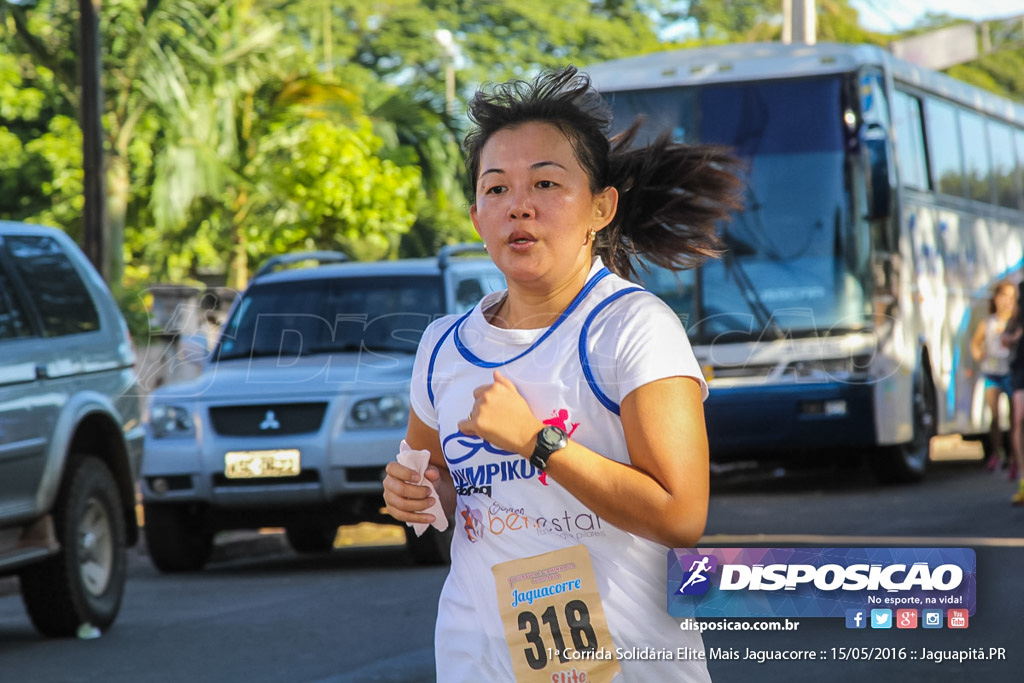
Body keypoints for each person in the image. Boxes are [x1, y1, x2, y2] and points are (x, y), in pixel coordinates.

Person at [382, 65, 742, 682]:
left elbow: (681, 515)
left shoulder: (633, 326)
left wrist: (538, 441)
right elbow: (432, 485)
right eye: (496, 190)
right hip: (479, 658)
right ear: (476, 217)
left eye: (546, 183)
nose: (518, 205)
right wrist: (417, 496)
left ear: (601, 207)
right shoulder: (443, 346)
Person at [970, 280, 1017, 472]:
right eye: (1003, 296)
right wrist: (978, 353)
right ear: (996, 299)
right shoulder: (988, 323)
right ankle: (996, 453)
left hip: (1011, 374)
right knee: (995, 415)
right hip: (992, 372)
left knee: (1015, 418)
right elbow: (975, 343)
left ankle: (1015, 457)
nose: (1007, 301)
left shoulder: (1015, 323)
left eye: (1011, 297)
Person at [1005, 281, 1024, 505]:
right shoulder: (1021, 287)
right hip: (1021, 366)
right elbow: (1014, 320)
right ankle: (1022, 480)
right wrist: (1009, 335)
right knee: (1019, 419)